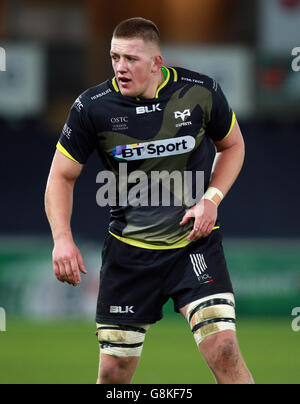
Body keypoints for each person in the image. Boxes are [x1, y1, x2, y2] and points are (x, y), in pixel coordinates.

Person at [45, 17, 254, 384]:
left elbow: (233, 145)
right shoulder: (92, 107)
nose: (120, 68)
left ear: (157, 62)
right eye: (114, 57)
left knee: (223, 348)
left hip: (193, 246)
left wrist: (212, 198)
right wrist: (62, 238)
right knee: (113, 373)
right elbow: (61, 177)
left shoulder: (200, 92)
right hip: (129, 255)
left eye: (131, 58)